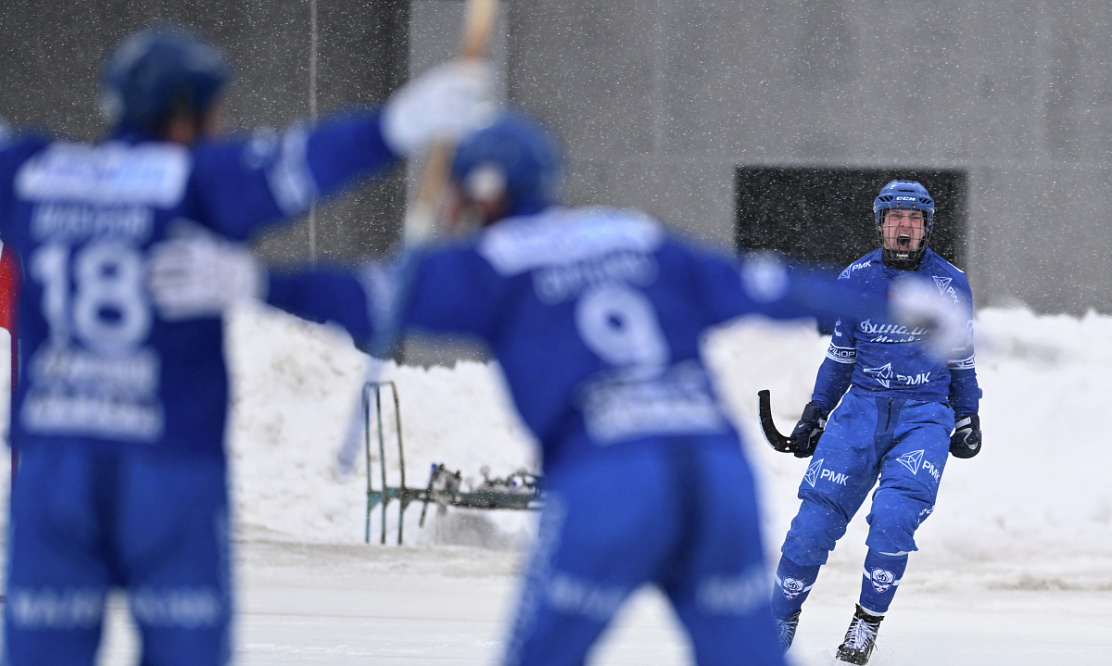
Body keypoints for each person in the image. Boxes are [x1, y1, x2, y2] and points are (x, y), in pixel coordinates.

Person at [149, 113, 968, 665]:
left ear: (478, 195)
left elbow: (366, 297)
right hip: (712, 472)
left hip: (611, 477)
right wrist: (896, 305)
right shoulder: (636, 235)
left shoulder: (486, 264)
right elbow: (768, 284)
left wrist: (249, 278)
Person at [0, 24, 491, 665]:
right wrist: (396, 126)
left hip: (53, 466)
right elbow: (298, 164)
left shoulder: (32, 173)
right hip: (169, 466)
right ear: (192, 113)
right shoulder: (195, 181)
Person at [767, 180, 982, 664]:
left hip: (924, 415)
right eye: (894, 218)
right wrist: (815, 411)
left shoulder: (950, 283)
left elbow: (962, 359)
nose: (903, 227)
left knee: (893, 520)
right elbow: (840, 357)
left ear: (926, 227)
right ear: (881, 224)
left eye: (913, 219)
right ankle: (777, 622)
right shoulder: (856, 277)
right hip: (860, 412)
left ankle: (864, 627)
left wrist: (968, 414)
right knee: (811, 525)